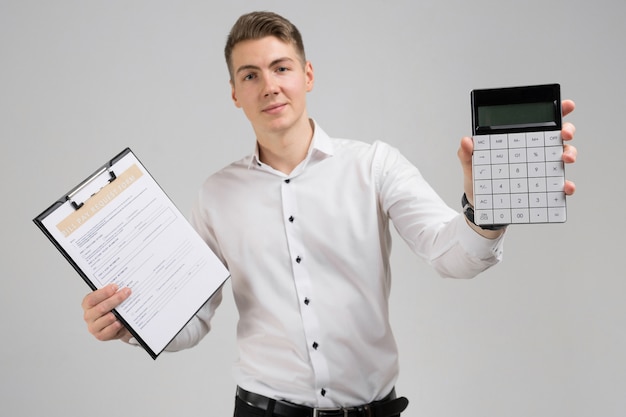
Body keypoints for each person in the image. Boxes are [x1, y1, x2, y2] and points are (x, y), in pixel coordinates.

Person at [81, 11, 578, 417]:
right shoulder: (215, 194)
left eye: (281, 68)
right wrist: (130, 321)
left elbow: (453, 257)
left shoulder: (374, 165)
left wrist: (485, 206)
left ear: (307, 74)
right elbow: (193, 321)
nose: (269, 85)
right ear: (235, 93)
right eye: (250, 75)